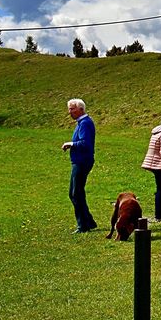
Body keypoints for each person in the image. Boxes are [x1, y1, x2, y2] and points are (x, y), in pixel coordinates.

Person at [61, 98, 98, 233]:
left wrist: (71, 144)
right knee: (77, 193)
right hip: (79, 161)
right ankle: (89, 222)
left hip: (82, 161)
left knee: (75, 193)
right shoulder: (81, 123)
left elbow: (85, 143)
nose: (69, 112)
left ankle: (83, 225)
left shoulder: (85, 123)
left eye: (72, 109)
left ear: (81, 109)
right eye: (69, 109)